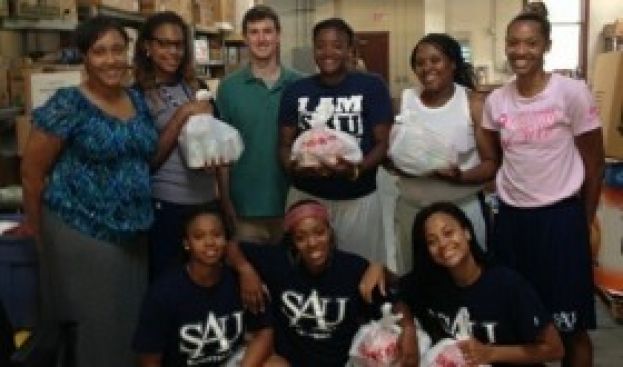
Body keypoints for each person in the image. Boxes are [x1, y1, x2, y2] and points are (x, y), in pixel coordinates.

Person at [18, 16, 157, 367]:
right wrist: (37, 232)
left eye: (117, 50)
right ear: (84, 57)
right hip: (81, 229)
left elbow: (146, 155)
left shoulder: (137, 100)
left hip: (135, 234)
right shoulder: (69, 104)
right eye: (99, 52)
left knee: (130, 322)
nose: (111, 60)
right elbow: (32, 173)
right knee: (98, 326)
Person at [482, 9, 604, 367]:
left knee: (571, 327)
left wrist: (583, 223)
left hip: (560, 221)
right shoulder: (496, 101)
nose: (521, 51)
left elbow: (594, 164)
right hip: (511, 223)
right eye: (514, 43)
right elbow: (497, 158)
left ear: (546, 46)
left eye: (531, 43)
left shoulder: (571, 93)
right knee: (520, 324)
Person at [227, 200, 418, 366]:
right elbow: (229, 247)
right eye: (301, 238)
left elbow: (394, 300)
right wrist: (246, 270)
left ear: (330, 232)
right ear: (292, 242)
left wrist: (409, 329)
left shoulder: (352, 268)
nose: (312, 243)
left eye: (319, 232)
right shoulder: (279, 262)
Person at [278, 18, 393, 263]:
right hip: (307, 197)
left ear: (350, 50)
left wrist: (356, 169)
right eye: (321, 46)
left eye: (337, 45)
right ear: (313, 50)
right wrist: (293, 166)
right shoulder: (296, 91)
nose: (328, 52)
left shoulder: (371, 86)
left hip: (358, 200)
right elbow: (285, 144)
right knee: (306, 268)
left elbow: (384, 143)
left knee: (359, 268)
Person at [399, 202, 564, 366]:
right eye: (432, 241)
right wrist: (408, 328)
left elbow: (554, 349)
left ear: (467, 233)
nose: (443, 244)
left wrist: (490, 353)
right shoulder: (431, 284)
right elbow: (398, 294)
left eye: (448, 233)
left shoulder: (507, 285)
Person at [133, 11, 231, 281]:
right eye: (163, 44)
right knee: (169, 283)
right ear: (147, 47)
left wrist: (225, 204)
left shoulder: (196, 86)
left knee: (208, 283)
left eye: (178, 45)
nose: (172, 51)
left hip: (205, 204)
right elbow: (147, 161)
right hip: (167, 207)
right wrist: (181, 116)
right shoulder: (137, 95)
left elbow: (219, 145)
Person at [391, 34, 498, 275]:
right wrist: (398, 163)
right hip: (413, 211)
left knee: (467, 280)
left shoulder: (472, 103)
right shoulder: (404, 101)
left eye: (435, 60)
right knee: (417, 280)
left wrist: (457, 177)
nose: (427, 67)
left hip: (461, 210)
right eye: (420, 63)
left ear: (452, 63)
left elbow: (491, 163)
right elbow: (391, 153)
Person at [133, 206, 285, 367]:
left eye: (217, 235)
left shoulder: (240, 279)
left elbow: (264, 331)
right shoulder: (164, 292)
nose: (210, 242)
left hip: (231, 362)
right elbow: (149, 358)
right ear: (187, 243)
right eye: (199, 237)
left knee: (277, 365)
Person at [216, 5, 301, 244]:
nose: (261, 38)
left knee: (290, 278)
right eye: (254, 32)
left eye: (267, 31)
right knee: (250, 277)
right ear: (245, 38)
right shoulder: (229, 88)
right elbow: (222, 153)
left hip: (292, 203)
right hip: (244, 208)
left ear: (278, 35)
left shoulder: (299, 85)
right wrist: (225, 201)